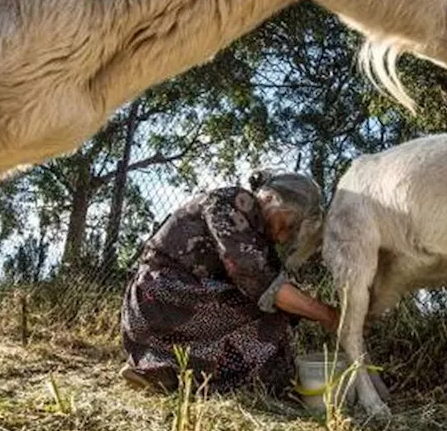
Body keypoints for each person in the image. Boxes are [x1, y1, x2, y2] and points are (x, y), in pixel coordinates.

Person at [119, 169, 339, 394]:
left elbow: (280, 288)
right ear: (272, 199)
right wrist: (330, 315)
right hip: (159, 297)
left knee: (284, 313)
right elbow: (262, 282)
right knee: (274, 312)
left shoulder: (259, 236)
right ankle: (170, 368)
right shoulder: (232, 204)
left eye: (292, 234)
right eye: (287, 225)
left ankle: (168, 373)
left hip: (176, 303)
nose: (284, 237)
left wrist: (315, 310)